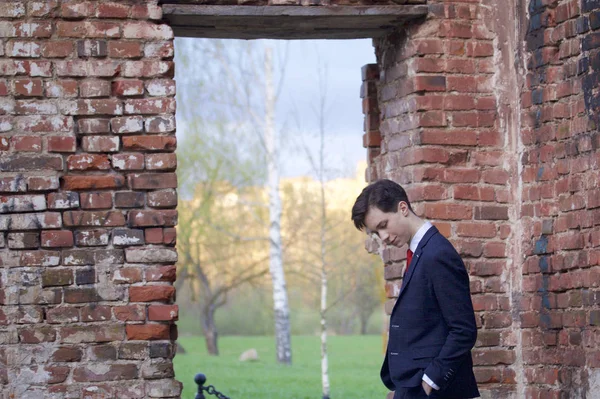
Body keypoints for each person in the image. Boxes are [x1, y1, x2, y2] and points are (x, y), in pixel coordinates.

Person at [351, 179, 480, 399]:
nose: (383, 237)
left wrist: (429, 383)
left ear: (403, 208)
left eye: (383, 225)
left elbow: (463, 330)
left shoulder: (437, 254)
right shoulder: (420, 252)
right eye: (375, 232)